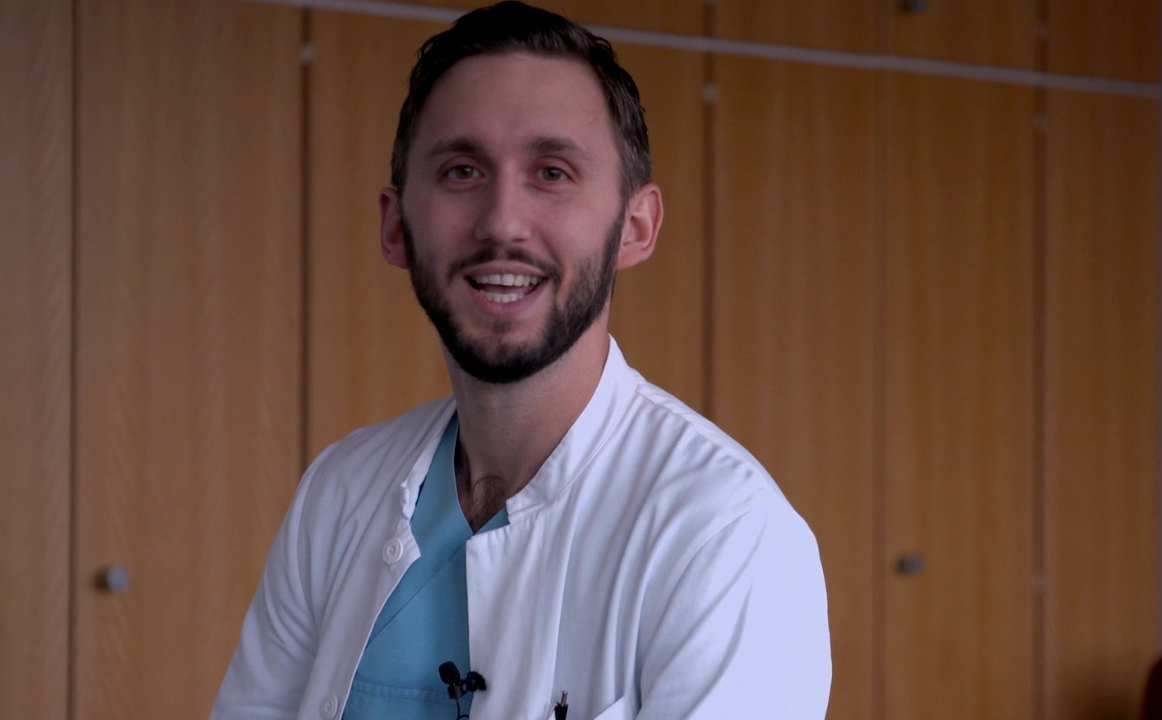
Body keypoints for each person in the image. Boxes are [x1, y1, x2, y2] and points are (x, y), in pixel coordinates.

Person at [210, 3, 829, 719]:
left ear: (635, 227)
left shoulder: (725, 532)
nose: (502, 222)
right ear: (396, 225)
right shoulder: (339, 492)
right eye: (462, 170)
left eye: (553, 172)